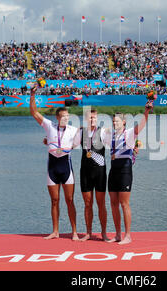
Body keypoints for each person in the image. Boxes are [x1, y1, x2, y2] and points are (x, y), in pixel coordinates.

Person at [29, 84, 81, 241]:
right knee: (54, 201)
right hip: (52, 168)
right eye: (63, 116)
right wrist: (32, 94)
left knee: (70, 200)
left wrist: (66, 148)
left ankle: (74, 232)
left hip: (66, 167)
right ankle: (55, 231)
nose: (66, 118)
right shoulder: (49, 126)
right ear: (57, 118)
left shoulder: (73, 130)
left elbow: (77, 143)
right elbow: (34, 112)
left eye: (68, 116)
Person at [107, 98, 153, 245]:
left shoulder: (130, 133)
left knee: (124, 203)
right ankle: (118, 235)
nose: (115, 124)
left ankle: (128, 235)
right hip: (113, 170)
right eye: (113, 122)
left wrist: (146, 112)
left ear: (124, 122)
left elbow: (142, 125)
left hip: (125, 171)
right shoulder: (110, 135)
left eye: (117, 122)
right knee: (113, 203)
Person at [78, 109, 110, 241]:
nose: (92, 120)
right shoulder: (81, 132)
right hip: (85, 172)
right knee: (87, 203)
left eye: (94, 118)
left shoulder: (103, 132)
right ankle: (88, 232)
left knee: (101, 203)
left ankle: (103, 233)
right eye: (90, 118)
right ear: (86, 119)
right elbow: (68, 144)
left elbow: (116, 144)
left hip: (100, 172)